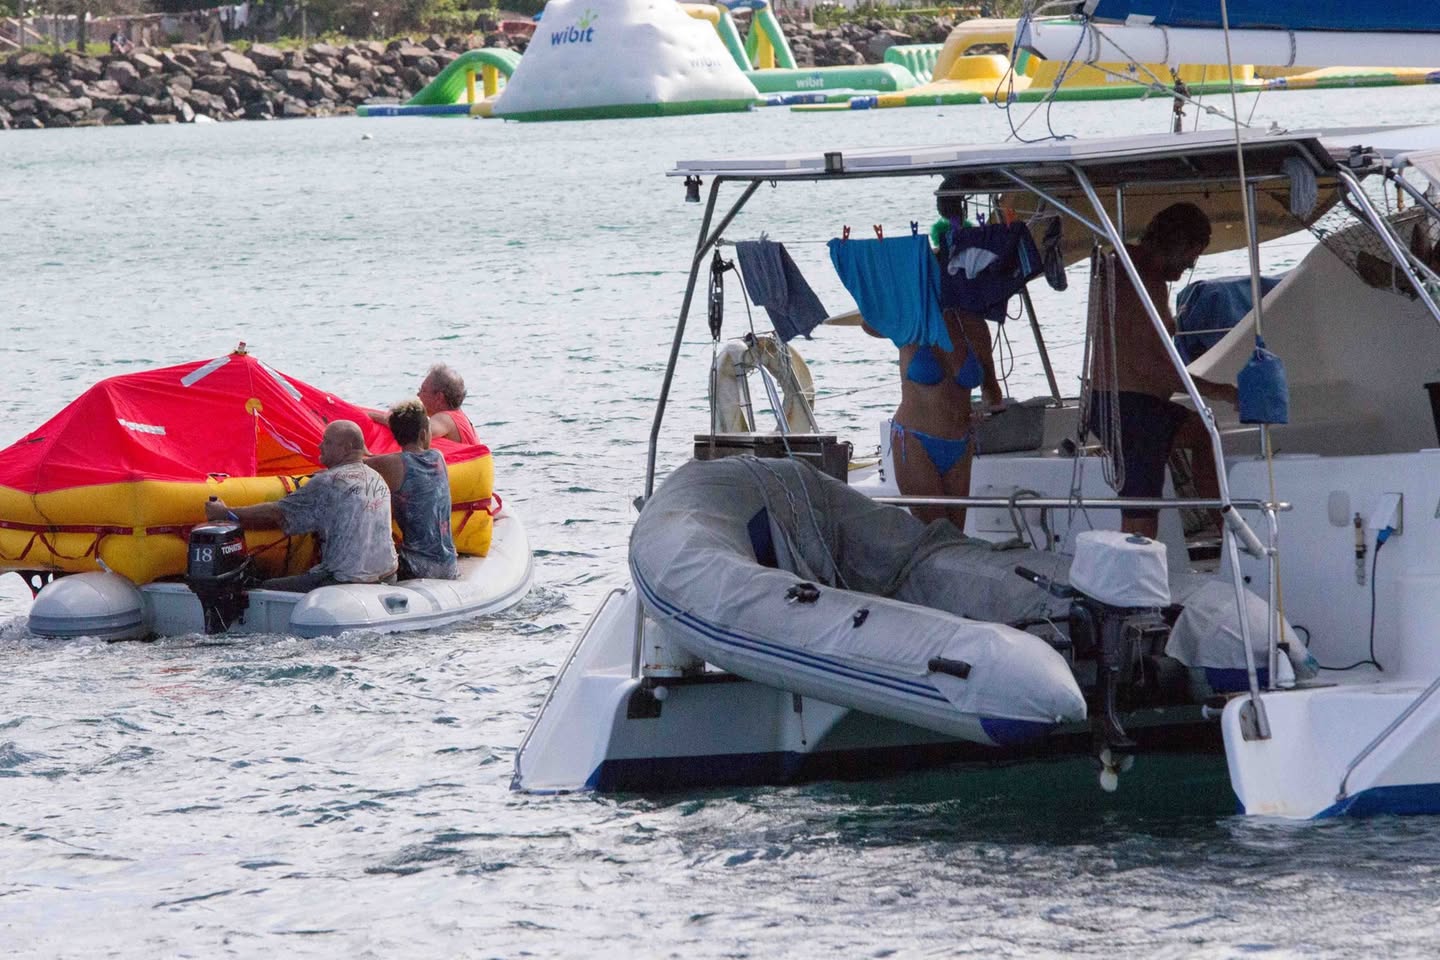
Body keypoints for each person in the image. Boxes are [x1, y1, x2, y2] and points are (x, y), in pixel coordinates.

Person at [1089, 202, 1238, 540]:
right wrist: (1219, 391)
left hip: (1129, 405)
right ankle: (1137, 564)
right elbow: (1151, 366)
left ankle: (1227, 533)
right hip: (1129, 410)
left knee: (1203, 432)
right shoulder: (1136, 278)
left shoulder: (1133, 271)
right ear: (1177, 242)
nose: (1190, 265)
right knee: (1142, 510)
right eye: (1191, 256)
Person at [204, 420, 397, 592]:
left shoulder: (328, 482)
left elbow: (277, 513)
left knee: (261, 589)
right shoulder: (376, 477)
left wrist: (226, 513)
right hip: (387, 575)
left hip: (344, 580)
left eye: (327, 442)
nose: (320, 446)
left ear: (347, 448)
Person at [865, 306, 997, 532]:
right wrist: (903, 298)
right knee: (938, 534)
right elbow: (869, 322)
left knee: (955, 536)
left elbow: (992, 391)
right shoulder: (911, 319)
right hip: (915, 442)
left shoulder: (974, 325)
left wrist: (984, 409)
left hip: (961, 444)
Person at [364, 399, 460, 580]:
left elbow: (352, 463)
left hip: (416, 566)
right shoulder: (438, 457)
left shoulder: (394, 463)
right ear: (424, 434)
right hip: (448, 564)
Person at [369, 364, 479, 445]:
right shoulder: (460, 417)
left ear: (439, 397)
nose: (418, 394)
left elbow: (414, 432)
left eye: (423, 390)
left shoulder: (446, 419)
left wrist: (373, 416)